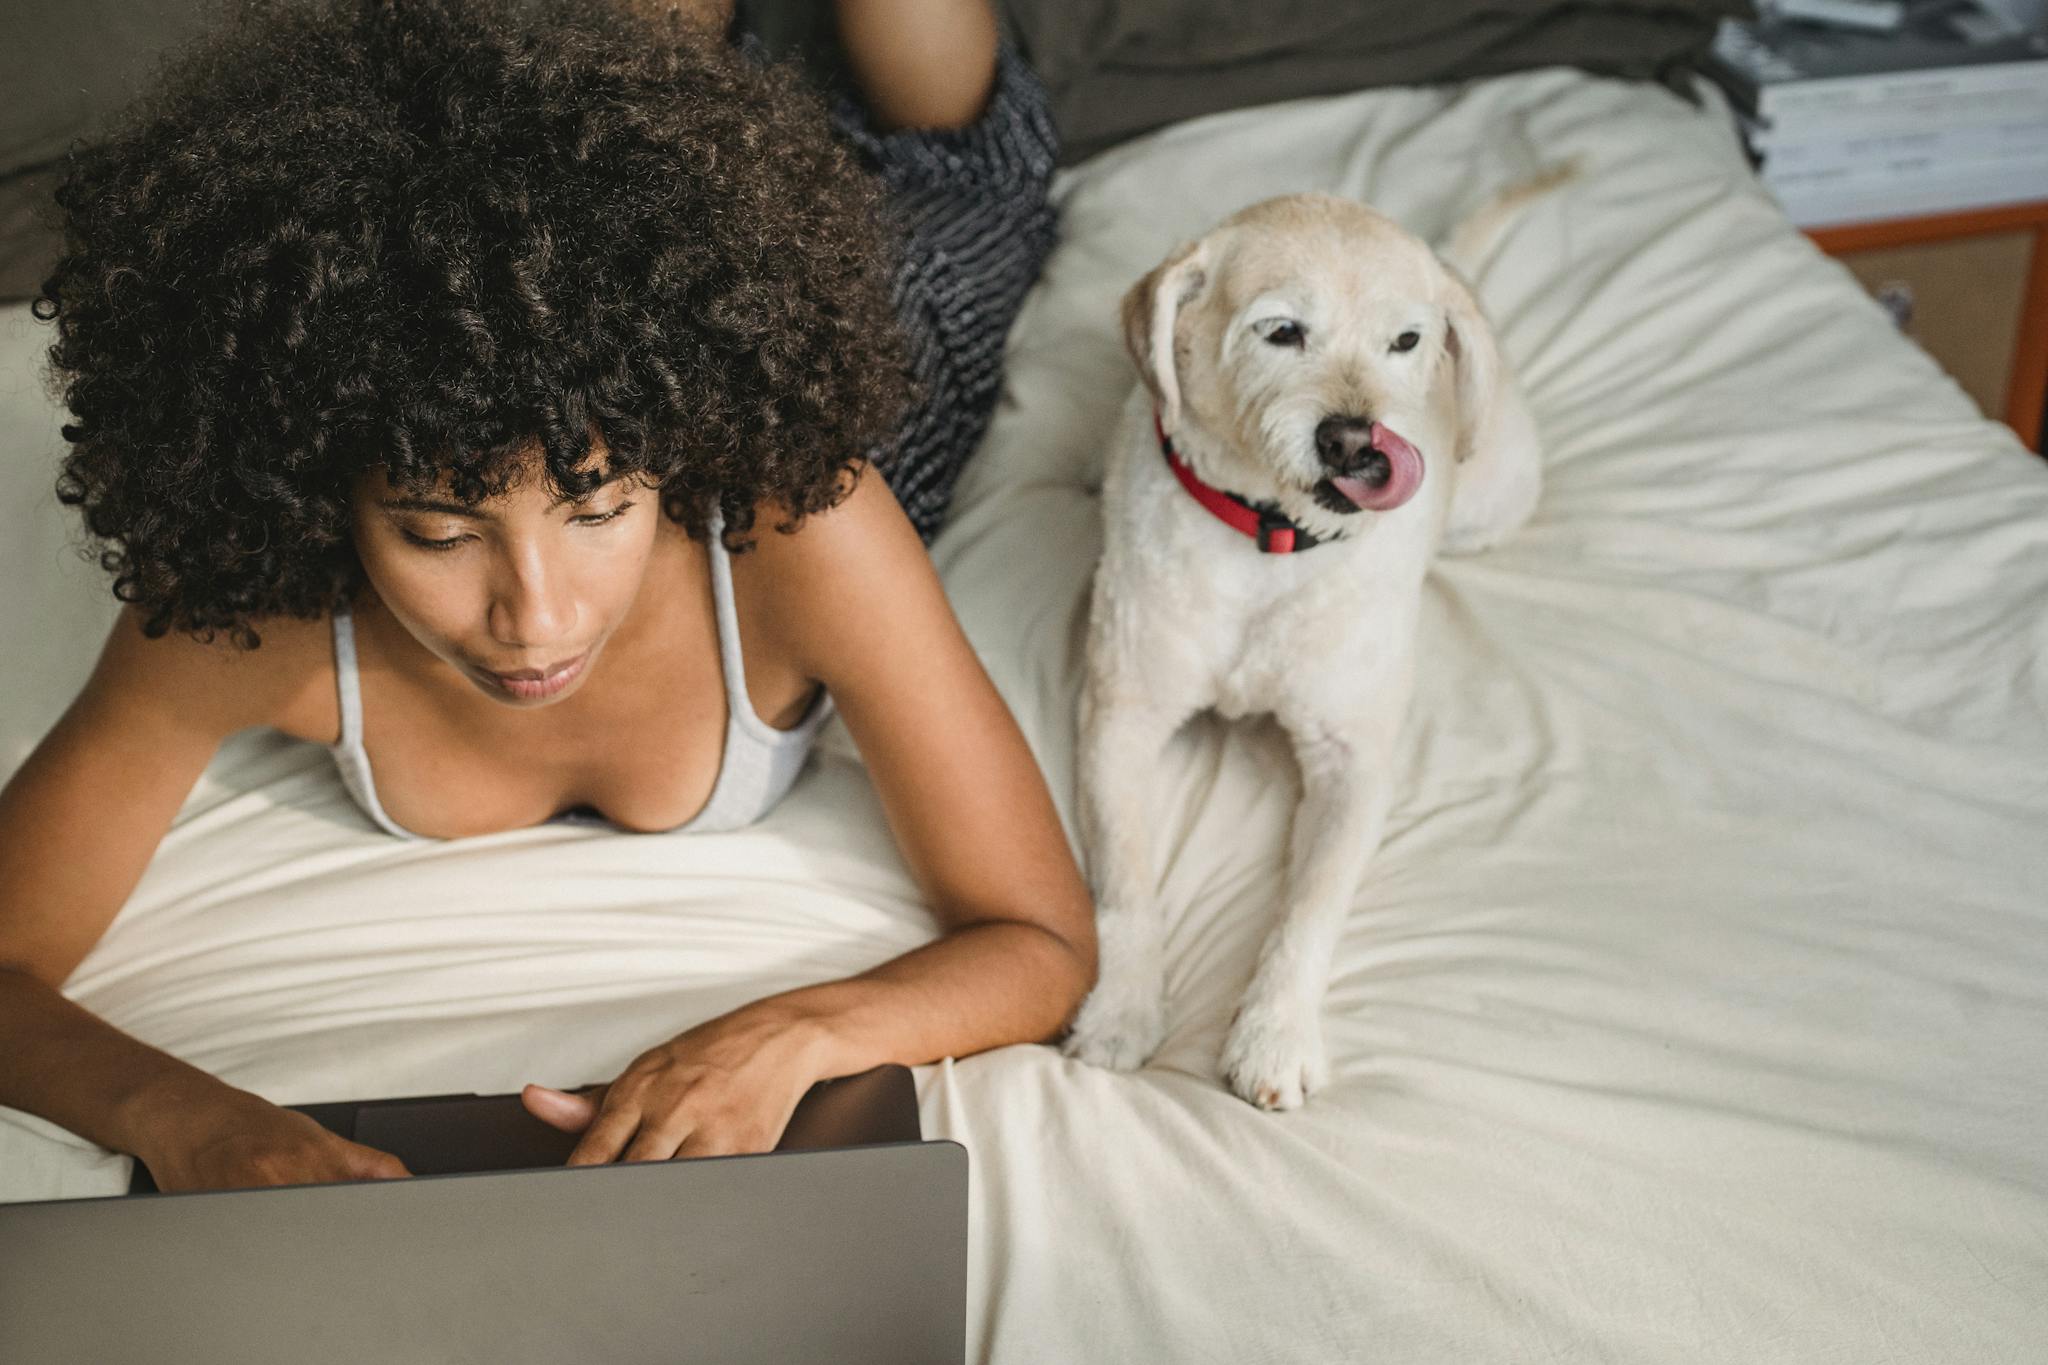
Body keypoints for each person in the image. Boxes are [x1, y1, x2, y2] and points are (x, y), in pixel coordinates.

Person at [0, 0, 1093, 1193]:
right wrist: (188, 1119)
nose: (537, 620)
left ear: (671, 457)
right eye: (437, 532)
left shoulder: (803, 521)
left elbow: (1039, 940)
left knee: (948, 182)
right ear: (316, 491)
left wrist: (796, 1035)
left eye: (596, 512)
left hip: (873, 379)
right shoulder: (255, 613)